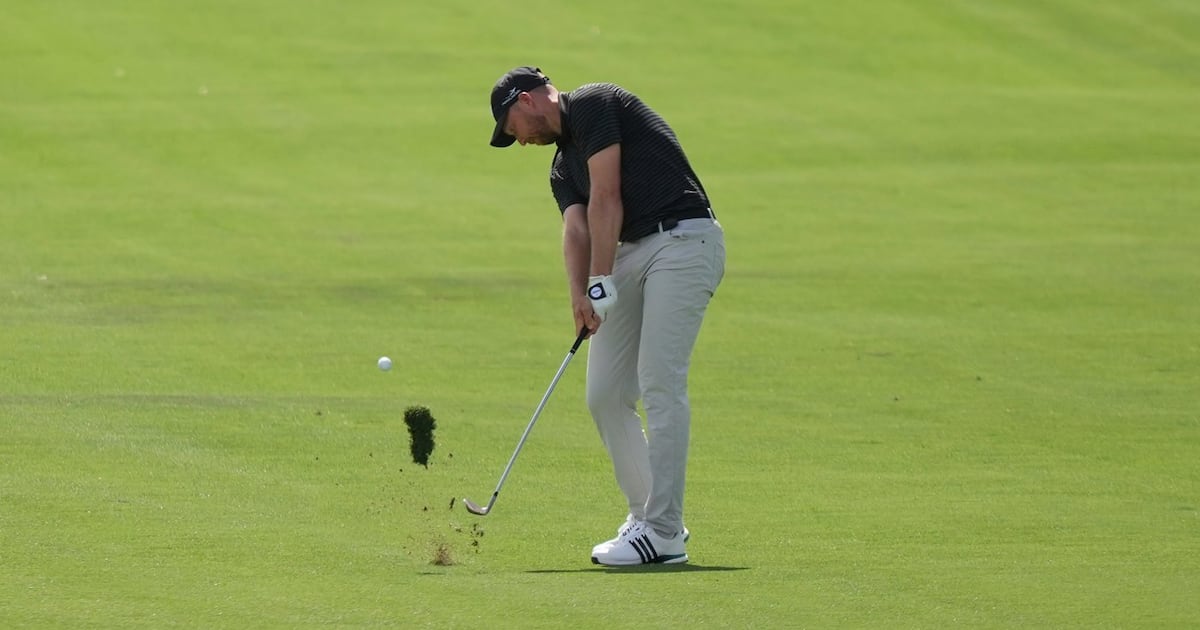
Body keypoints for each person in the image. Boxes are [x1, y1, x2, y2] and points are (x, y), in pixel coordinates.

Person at [488, 66, 725, 566]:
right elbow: (577, 229)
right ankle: (650, 519)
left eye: (513, 128)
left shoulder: (594, 103)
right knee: (605, 394)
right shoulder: (559, 168)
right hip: (633, 253)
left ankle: (662, 533)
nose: (520, 140)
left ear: (527, 100)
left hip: (683, 240)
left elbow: (607, 195)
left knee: (659, 381)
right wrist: (580, 295)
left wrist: (600, 279)